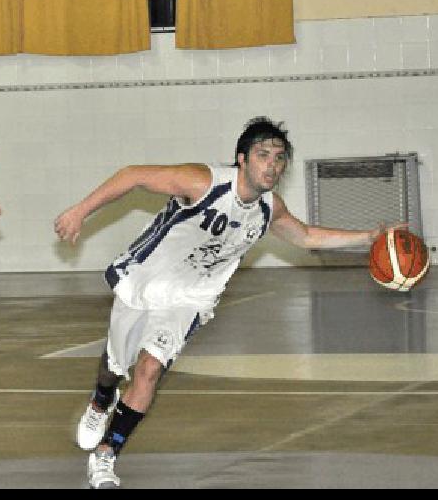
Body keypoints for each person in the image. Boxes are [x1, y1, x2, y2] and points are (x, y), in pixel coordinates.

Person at [54, 116, 397, 489]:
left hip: (190, 298)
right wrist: (80, 211)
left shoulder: (269, 209)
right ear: (242, 159)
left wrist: (369, 237)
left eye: (280, 157)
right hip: (146, 279)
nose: (272, 164)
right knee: (114, 364)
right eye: (263, 154)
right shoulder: (203, 182)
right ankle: (102, 397)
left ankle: (106, 454)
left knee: (149, 369)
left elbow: (307, 236)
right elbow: (133, 174)